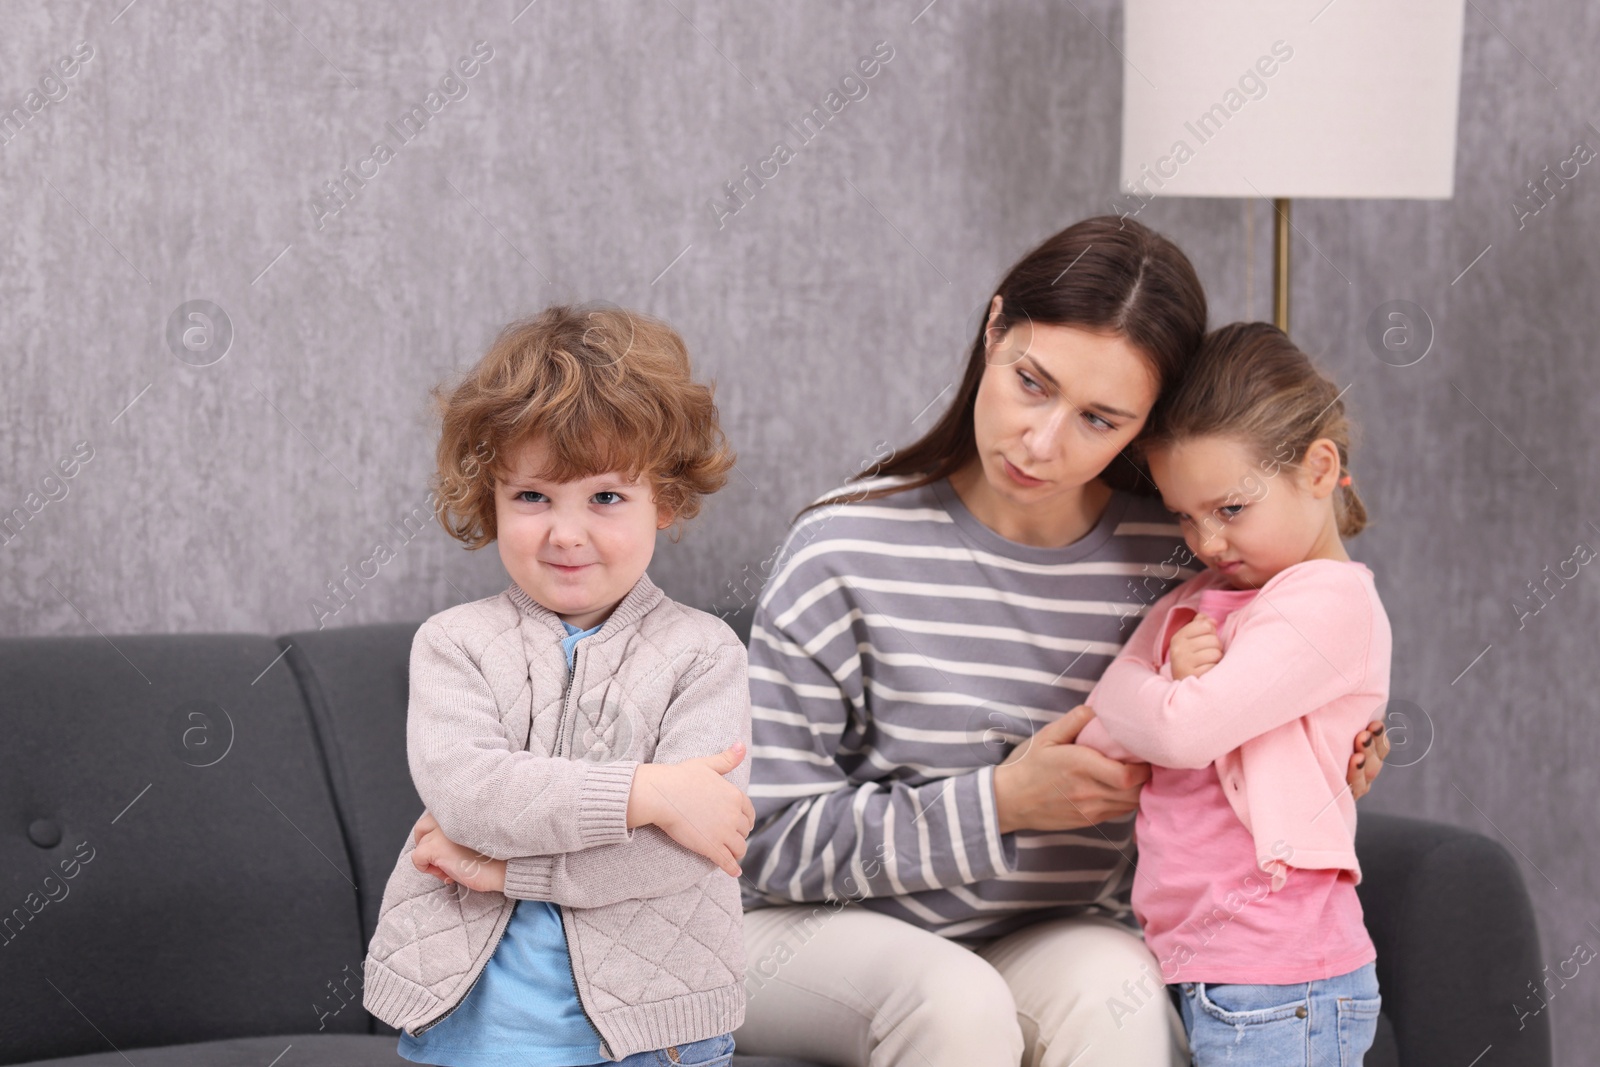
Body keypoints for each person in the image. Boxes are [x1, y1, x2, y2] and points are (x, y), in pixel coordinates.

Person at [732, 217, 1392, 1067]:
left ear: (1149, 434)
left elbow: (1284, 670)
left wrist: (1329, 751)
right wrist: (1001, 804)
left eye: (1100, 418)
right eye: (1032, 382)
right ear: (994, 328)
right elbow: (763, 834)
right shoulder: (844, 551)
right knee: (954, 1002)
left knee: (1114, 1002)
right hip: (815, 935)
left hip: (1055, 928)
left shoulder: (1184, 551)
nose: (1042, 442)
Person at [362, 304, 758, 1067]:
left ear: (665, 500)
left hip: (659, 1037)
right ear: (491, 499)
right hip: (474, 1032)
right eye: (533, 496)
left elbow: (684, 855)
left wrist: (506, 870)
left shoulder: (705, 655)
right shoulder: (454, 644)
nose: (566, 532)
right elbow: (472, 795)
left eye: (606, 496)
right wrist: (647, 793)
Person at [1076, 322, 1386, 1064]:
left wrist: (1147, 686)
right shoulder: (1200, 599)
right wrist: (1169, 690)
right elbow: (1101, 740)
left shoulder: (1330, 603)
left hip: (1284, 976)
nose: (1208, 541)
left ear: (1318, 469)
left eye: (1231, 509)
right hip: (1199, 966)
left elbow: (1177, 734)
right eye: (1186, 515)